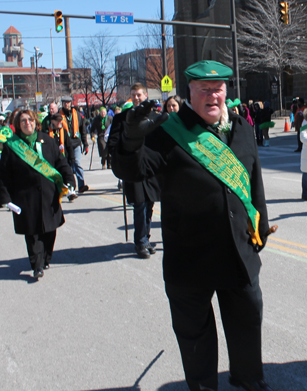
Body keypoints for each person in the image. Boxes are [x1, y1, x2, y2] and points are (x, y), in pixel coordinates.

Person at [111, 60, 273, 391]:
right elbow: (133, 171)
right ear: (190, 91)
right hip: (190, 255)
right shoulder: (169, 130)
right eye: (204, 90)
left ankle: (248, 377)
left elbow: (254, 181)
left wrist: (261, 227)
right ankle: (203, 386)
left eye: (218, 89)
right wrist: (130, 140)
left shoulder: (241, 127)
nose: (213, 96)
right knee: (194, 332)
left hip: (237, 249)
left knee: (247, 319)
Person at [0, 110, 76, 279]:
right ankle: (37, 265)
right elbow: (4, 175)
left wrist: (70, 181)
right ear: (18, 124)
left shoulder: (46, 140)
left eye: (30, 120)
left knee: (50, 230)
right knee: (32, 233)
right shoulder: (12, 146)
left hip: (49, 195)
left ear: (35, 122)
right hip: (25, 197)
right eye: (23, 121)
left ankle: (46, 258)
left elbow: (61, 162)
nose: (27, 123)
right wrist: (6, 199)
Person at [107, 83, 161, 259]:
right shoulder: (121, 119)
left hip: (151, 168)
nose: (137, 98)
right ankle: (140, 243)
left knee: (150, 204)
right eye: (133, 95)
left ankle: (145, 238)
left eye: (139, 94)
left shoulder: (155, 117)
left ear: (145, 95)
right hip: (132, 168)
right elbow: (112, 144)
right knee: (139, 205)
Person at [60, 96, 89, 192]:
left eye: (68, 102)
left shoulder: (77, 114)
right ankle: (70, 186)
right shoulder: (59, 116)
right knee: (68, 166)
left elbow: (82, 130)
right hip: (64, 144)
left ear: (71, 103)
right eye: (64, 102)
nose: (66, 104)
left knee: (77, 163)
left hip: (76, 143)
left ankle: (81, 185)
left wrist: (85, 143)